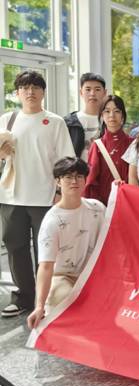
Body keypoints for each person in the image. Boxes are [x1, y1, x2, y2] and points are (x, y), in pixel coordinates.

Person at [0, 70, 75, 318]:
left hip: (45, 197)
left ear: (43, 92)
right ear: (17, 93)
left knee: (47, 250)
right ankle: (23, 298)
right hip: (11, 197)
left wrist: (59, 191)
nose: (30, 92)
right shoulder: (7, 119)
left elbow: (66, 160)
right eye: (24, 88)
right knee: (15, 248)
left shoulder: (54, 122)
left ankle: (47, 298)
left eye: (35, 87)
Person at [27, 157, 105, 328]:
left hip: (94, 276)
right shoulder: (52, 221)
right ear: (58, 181)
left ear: (85, 179)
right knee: (66, 301)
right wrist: (39, 306)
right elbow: (45, 267)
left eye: (79, 176)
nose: (74, 181)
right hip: (63, 277)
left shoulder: (98, 208)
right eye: (68, 177)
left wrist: (120, 192)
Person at [84, 95, 132, 205]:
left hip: (128, 202)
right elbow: (91, 181)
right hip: (103, 205)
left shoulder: (133, 144)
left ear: (123, 116)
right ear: (102, 116)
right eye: (107, 111)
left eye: (117, 111)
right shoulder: (97, 145)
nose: (112, 115)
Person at [64, 73, 107, 161]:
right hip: (77, 169)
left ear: (104, 93)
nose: (92, 93)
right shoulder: (69, 122)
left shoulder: (110, 120)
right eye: (88, 89)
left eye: (97, 89)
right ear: (81, 92)